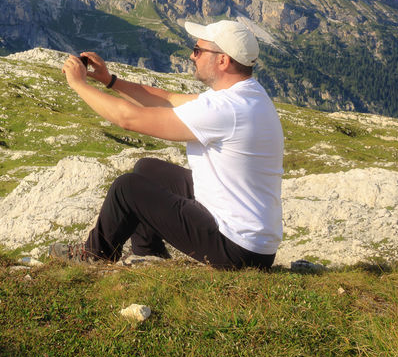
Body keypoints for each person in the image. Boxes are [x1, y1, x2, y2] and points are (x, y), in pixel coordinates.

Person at [53, 18, 283, 270]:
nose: (192, 56)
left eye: (198, 50)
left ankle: (93, 256)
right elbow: (169, 100)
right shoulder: (246, 94)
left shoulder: (225, 108)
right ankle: (149, 253)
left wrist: (79, 84)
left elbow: (128, 118)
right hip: (252, 241)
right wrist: (109, 81)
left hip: (236, 249)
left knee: (126, 188)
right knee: (147, 169)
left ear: (222, 60)